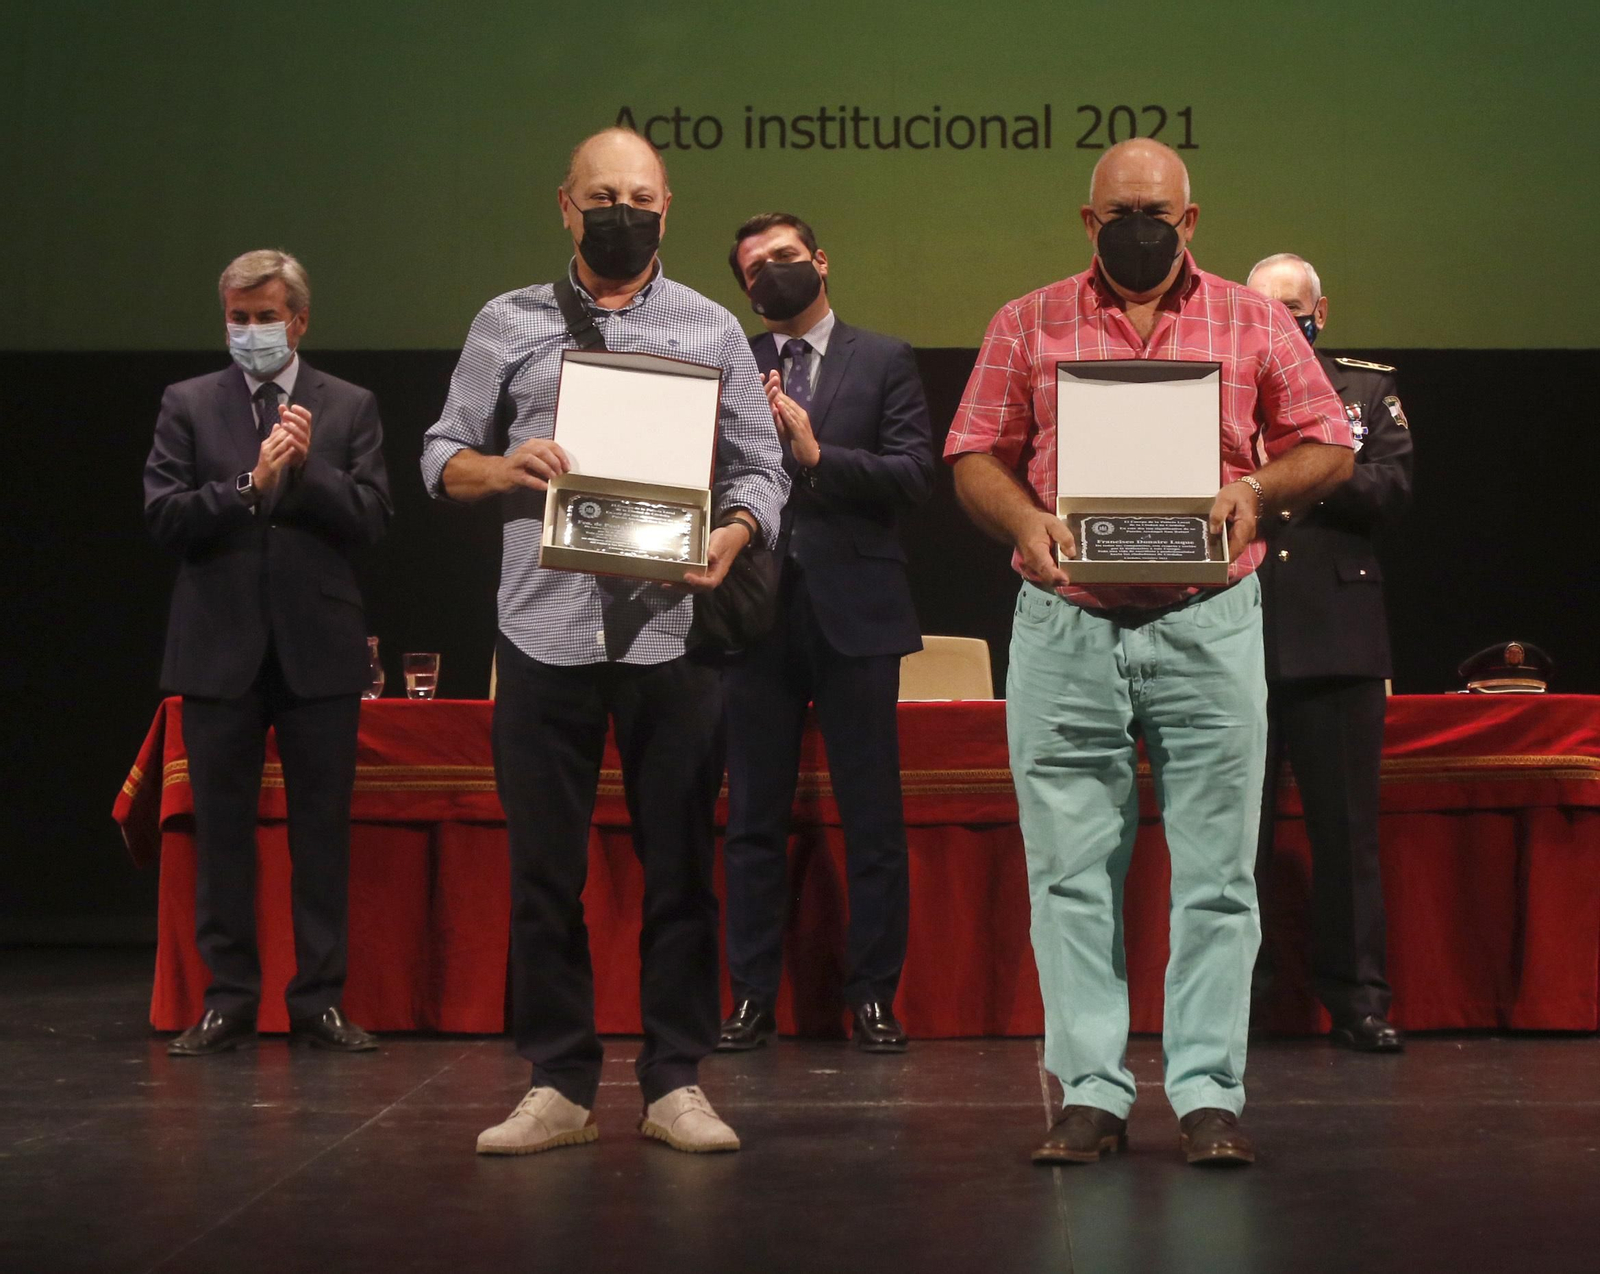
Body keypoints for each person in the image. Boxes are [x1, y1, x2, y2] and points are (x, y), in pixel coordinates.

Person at [946, 139, 1354, 1167]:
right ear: (1089, 222)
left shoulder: (1253, 319)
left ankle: (1209, 1090)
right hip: (1064, 613)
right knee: (1070, 869)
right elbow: (971, 454)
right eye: (1120, 210)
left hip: (1206, 616)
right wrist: (1023, 519)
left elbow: (1328, 438)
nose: (1141, 225)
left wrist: (1256, 489)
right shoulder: (1024, 320)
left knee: (1217, 871)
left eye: (1157, 211)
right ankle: (1088, 1087)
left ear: (1190, 219)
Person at [421, 129, 787, 1155]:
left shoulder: (710, 328)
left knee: (680, 867)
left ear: (666, 208)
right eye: (601, 195)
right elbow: (438, 453)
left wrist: (732, 531)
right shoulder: (510, 322)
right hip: (541, 633)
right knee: (545, 870)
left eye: (639, 195)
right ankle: (559, 1081)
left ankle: (674, 1078)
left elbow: (764, 470)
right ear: (565, 205)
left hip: (670, 636)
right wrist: (502, 468)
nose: (620, 210)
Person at [144, 249, 392, 1057]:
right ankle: (228, 1000)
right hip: (218, 648)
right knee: (221, 835)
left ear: (299, 320)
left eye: (265, 317)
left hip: (318, 649)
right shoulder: (187, 403)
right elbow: (165, 516)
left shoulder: (348, 406)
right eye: (238, 317)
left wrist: (307, 469)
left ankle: (318, 1000)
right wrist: (250, 485)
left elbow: (373, 520)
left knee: (321, 834)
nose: (250, 331)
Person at [715, 213, 934, 1054]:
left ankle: (874, 994)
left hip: (858, 612)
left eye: (785, 257)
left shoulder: (885, 358)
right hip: (752, 613)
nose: (773, 273)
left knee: (873, 817)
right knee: (752, 822)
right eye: (755, 268)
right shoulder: (730, 363)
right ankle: (752, 998)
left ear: (820, 261)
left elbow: (914, 476)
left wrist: (814, 456)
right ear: (744, 289)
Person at [1246, 253, 1414, 1053]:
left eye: (1294, 306)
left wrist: (1307, 468)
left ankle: (1359, 1001)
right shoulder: (1221, 386)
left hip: (1337, 636)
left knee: (1345, 833)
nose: (1281, 319)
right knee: (1231, 840)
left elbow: (1390, 489)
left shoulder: (1364, 390)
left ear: (1321, 310)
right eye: (1264, 307)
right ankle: (1240, 1004)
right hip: (1236, 631)